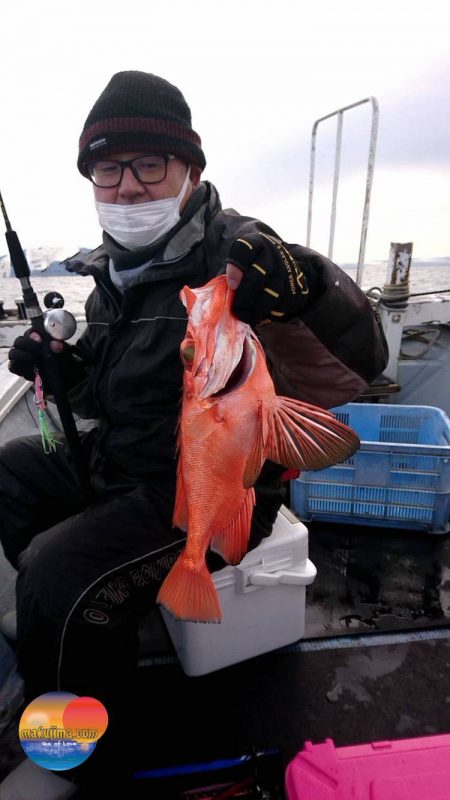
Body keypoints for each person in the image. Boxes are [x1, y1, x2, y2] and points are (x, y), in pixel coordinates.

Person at [0, 70, 388, 798]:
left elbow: (358, 364)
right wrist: (59, 366)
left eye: (152, 166)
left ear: (191, 172)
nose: (129, 187)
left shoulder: (236, 253)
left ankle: (76, 760)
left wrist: (307, 285)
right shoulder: (114, 269)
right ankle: (83, 627)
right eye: (108, 169)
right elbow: (116, 396)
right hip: (131, 464)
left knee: (59, 569)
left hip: (214, 488)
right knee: (16, 471)